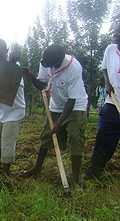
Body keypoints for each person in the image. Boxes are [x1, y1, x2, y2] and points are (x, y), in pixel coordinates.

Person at [22, 45, 88, 184]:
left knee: (76, 137)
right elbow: (42, 86)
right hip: (56, 105)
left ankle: (75, 178)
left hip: (75, 106)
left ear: (57, 63)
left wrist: (59, 124)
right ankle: (37, 168)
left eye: (46, 62)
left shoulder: (73, 67)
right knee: (47, 135)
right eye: (43, 60)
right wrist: (31, 77)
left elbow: (71, 100)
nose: (42, 63)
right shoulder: (45, 62)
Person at [83, 24, 120, 179]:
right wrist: (107, 82)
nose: (116, 36)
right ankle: (95, 170)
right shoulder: (111, 49)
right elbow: (104, 68)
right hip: (113, 102)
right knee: (104, 138)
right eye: (116, 34)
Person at [0, 39, 25, 175]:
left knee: (7, 141)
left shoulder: (15, 66)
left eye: (0, 56)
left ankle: (5, 173)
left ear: (6, 52)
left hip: (14, 109)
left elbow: (8, 90)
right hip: (0, 110)